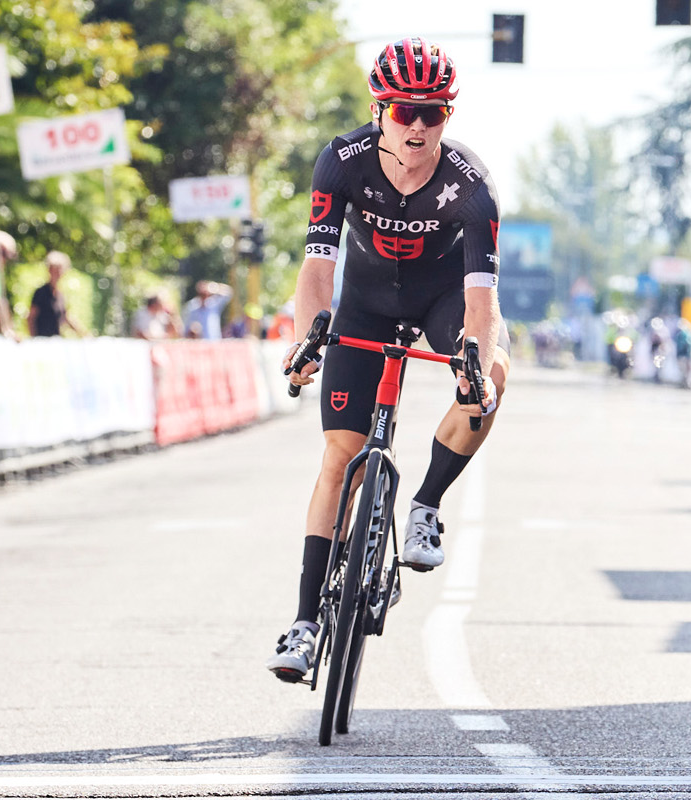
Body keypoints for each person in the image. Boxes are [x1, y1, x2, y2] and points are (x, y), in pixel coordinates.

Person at [268, 37, 510, 683]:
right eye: (406, 111)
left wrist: (476, 369)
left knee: (496, 375)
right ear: (380, 111)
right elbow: (319, 265)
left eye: (435, 112)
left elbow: (481, 298)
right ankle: (304, 622)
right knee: (338, 456)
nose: (420, 126)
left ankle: (426, 502)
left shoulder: (470, 181)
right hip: (366, 305)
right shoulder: (341, 162)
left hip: (440, 303)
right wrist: (305, 338)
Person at [28, 251, 85, 338]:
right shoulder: (40, 293)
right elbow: (31, 317)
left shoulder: (60, 294)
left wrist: (83, 334)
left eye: (59, 271)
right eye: (54, 270)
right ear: (49, 270)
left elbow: (66, 317)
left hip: (55, 341)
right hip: (41, 341)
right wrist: (33, 339)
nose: (57, 274)